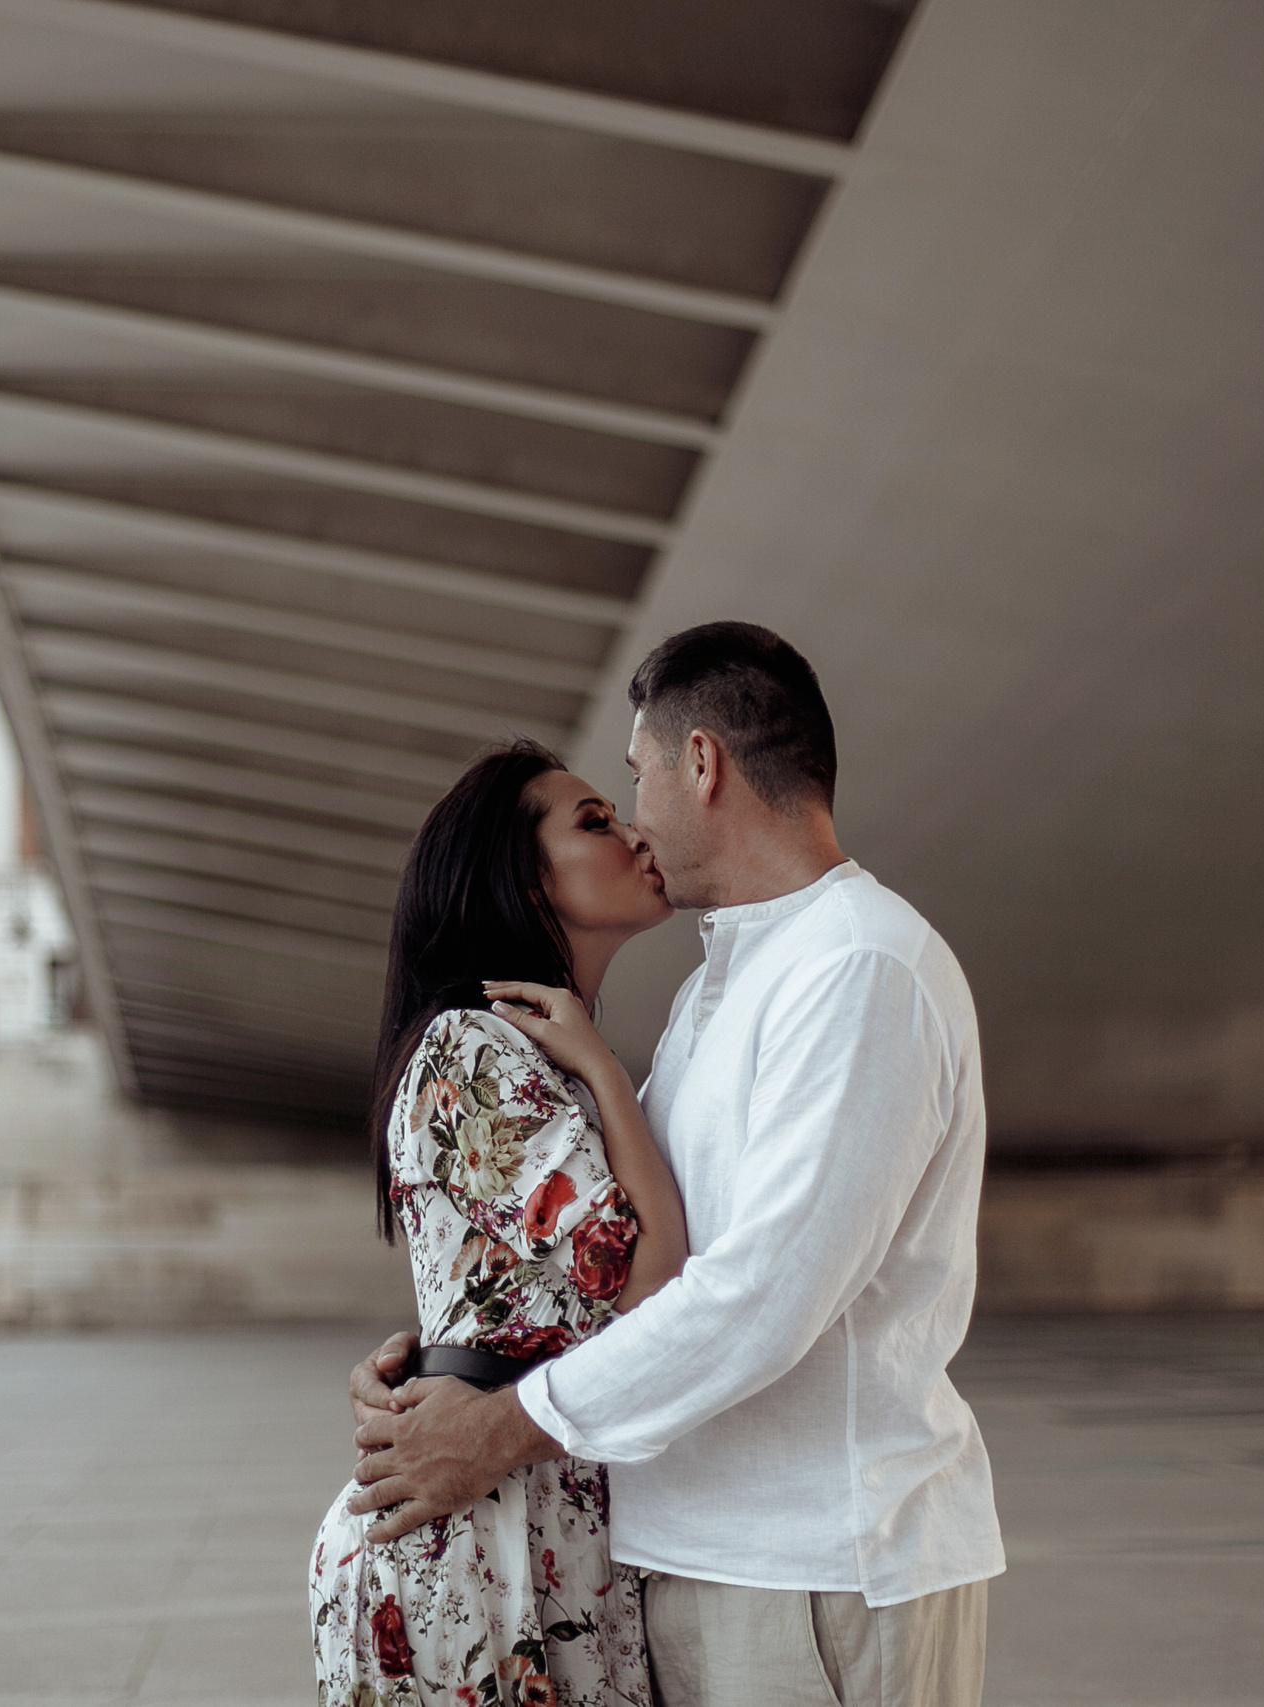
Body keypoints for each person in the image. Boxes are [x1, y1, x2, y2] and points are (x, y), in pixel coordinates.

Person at [346, 622, 1004, 1707]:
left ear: (700, 763)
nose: (636, 818)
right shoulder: (723, 985)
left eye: (634, 779)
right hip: (692, 1563)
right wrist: (431, 1377)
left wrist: (494, 1426)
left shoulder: (854, 968)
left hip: (814, 1570)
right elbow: (594, 1274)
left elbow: (757, 1298)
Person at [310, 739, 690, 1706]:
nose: (637, 834)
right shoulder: (469, 1048)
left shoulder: (549, 1064)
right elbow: (649, 1280)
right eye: (595, 822)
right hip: (478, 1535)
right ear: (523, 881)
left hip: (534, 1509)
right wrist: (604, 1066)